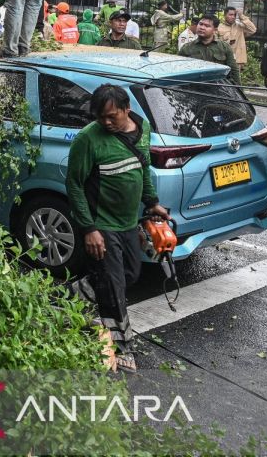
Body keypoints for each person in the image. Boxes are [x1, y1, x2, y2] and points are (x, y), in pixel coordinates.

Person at [66, 85, 170, 373]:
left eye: (111, 117)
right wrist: (88, 228)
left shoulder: (143, 128)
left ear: (126, 109)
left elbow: (143, 167)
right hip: (102, 225)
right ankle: (122, 346)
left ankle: (75, 294)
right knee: (114, 289)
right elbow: (74, 184)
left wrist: (152, 202)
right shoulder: (88, 140)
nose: (106, 123)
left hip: (127, 222)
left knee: (130, 274)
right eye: (101, 118)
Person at [179, 14, 238, 78]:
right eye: (200, 24)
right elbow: (179, 70)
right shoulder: (187, 48)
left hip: (218, 86)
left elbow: (233, 70)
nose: (202, 27)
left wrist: (238, 87)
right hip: (193, 85)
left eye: (207, 26)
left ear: (215, 30)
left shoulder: (224, 47)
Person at [218, 6, 257, 71]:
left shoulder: (240, 26)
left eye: (234, 15)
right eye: (230, 15)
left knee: (235, 80)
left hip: (237, 61)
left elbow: (253, 30)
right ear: (225, 15)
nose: (233, 17)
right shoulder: (219, 27)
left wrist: (241, 16)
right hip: (224, 59)